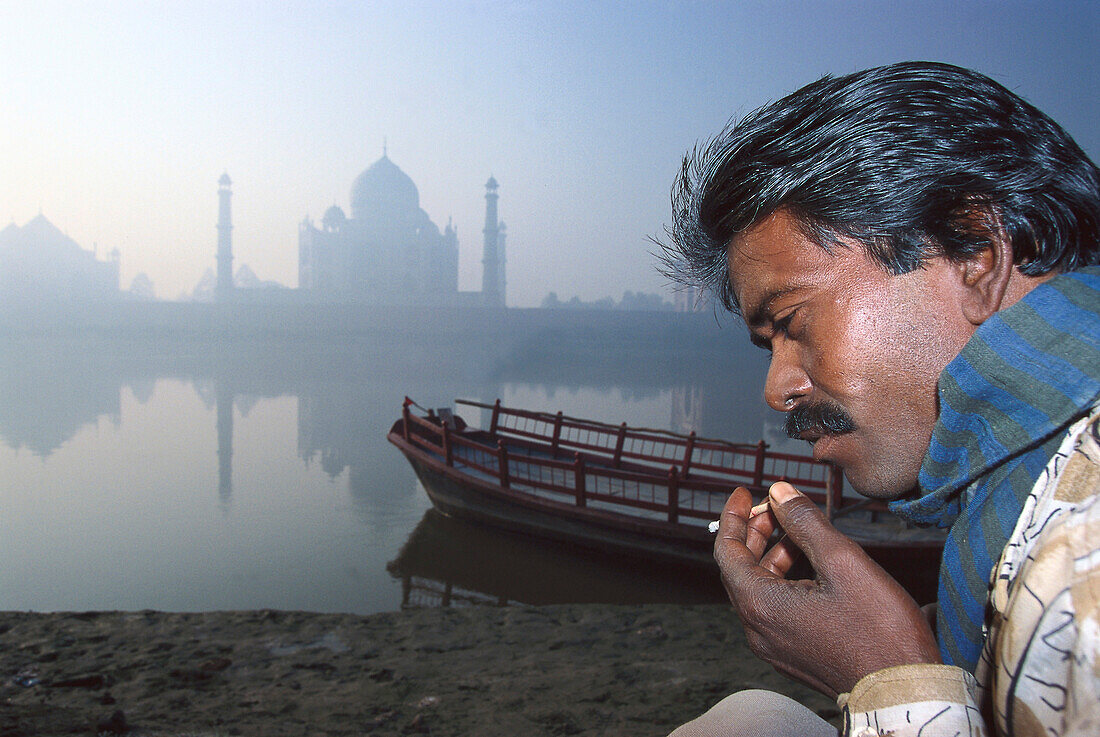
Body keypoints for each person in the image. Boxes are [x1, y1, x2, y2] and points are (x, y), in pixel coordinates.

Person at [661, 61, 1100, 736]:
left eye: (792, 322)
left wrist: (891, 677)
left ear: (975, 252)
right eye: (768, 345)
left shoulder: (1081, 549)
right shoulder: (1013, 493)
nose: (777, 390)